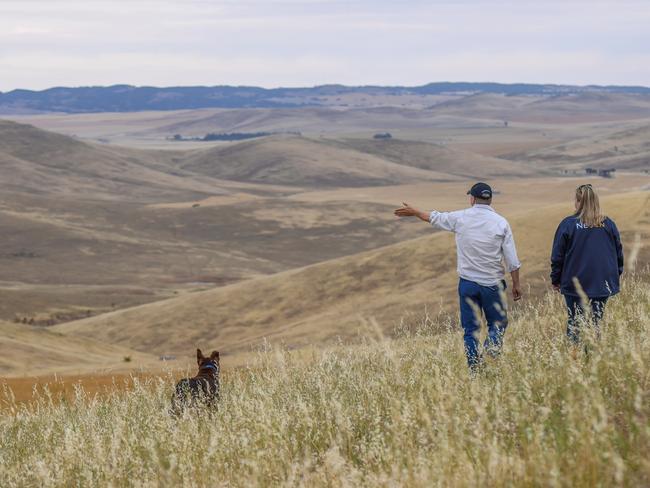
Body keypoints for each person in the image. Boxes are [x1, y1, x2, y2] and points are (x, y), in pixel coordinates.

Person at [394, 182, 522, 370]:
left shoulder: (460, 218)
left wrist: (415, 211)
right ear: (490, 199)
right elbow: (512, 259)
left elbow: (433, 217)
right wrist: (516, 284)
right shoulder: (501, 223)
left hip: (468, 284)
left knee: (471, 330)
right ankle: (490, 356)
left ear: (472, 198)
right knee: (497, 324)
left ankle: (474, 369)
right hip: (493, 285)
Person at [550, 184, 623, 345]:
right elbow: (619, 254)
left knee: (575, 323)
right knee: (595, 324)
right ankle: (593, 361)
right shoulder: (608, 224)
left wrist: (556, 280)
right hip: (602, 284)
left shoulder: (568, 224)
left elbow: (557, 257)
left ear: (578, 202)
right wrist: (613, 276)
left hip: (575, 285)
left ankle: (575, 364)